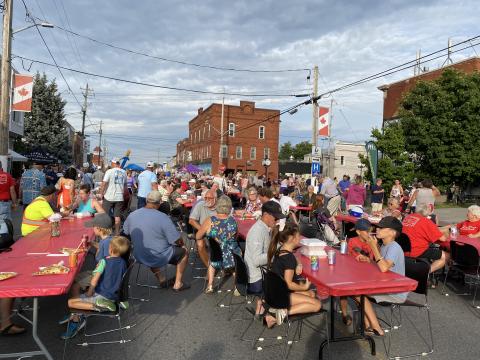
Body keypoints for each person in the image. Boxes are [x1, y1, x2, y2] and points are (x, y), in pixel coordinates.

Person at [61, 236, 130, 339]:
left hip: (101, 295)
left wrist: (89, 292)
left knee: (70, 302)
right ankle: (83, 313)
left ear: (110, 248)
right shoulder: (124, 263)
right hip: (114, 295)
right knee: (75, 302)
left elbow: (94, 280)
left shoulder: (104, 262)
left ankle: (99, 307)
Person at [123, 191, 189, 291]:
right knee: (184, 253)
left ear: (146, 200)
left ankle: (162, 279)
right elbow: (177, 240)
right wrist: (182, 245)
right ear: (159, 203)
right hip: (157, 255)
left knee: (150, 246)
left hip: (138, 254)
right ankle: (178, 284)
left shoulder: (132, 214)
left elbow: (126, 232)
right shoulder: (163, 217)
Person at [356, 216, 408, 336]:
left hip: (396, 292)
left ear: (392, 232)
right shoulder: (384, 245)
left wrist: (373, 246)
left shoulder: (394, 247)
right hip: (386, 285)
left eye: (381, 227)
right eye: (378, 227)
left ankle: (375, 327)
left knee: (358, 293)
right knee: (356, 291)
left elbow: (384, 268)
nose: (377, 229)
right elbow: (382, 265)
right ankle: (368, 326)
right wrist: (369, 260)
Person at [262, 224, 322, 328]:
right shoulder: (289, 259)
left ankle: (276, 309)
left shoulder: (281, 249)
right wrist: (304, 287)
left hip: (272, 292)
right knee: (317, 305)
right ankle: (279, 314)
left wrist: (298, 264)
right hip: (280, 295)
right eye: (298, 236)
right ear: (292, 238)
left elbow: (292, 257)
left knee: (311, 294)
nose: (300, 238)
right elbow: (289, 284)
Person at [244, 201, 286, 316]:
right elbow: (257, 260)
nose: (277, 221)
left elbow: (267, 249)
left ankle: (262, 306)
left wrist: (280, 246)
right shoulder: (258, 231)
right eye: (276, 218)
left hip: (257, 274)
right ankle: (279, 309)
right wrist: (276, 254)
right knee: (289, 279)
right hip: (256, 279)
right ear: (266, 215)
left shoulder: (263, 228)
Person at [196, 196, 241, 294]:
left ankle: (210, 286)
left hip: (216, 257)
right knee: (234, 265)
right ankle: (237, 287)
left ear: (217, 206)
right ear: (229, 207)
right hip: (232, 257)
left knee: (211, 264)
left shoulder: (210, 220)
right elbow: (236, 237)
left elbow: (198, 236)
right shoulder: (233, 220)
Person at [339, 219, 375, 325]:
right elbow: (356, 256)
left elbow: (375, 260)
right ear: (358, 232)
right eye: (367, 232)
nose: (369, 234)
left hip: (368, 275)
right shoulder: (353, 241)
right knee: (344, 290)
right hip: (353, 273)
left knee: (361, 295)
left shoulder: (372, 242)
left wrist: (370, 259)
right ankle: (345, 314)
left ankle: (367, 322)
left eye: (370, 231)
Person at [402, 204, 449, 273]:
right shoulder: (425, 221)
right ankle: (425, 273)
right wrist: (446, 232)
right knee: (446, 256)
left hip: (403, 249)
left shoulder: (408, 217)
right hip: (416, 251)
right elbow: (443, 239)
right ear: (427, 213)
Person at [189, 189, 217, 267]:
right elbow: (191, 220)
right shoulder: (200, 205)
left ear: (215, 198)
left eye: (209, 198)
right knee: (200, 245)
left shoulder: (219, 206)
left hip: (217, 231)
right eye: (206, 198)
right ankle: (209, 266)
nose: (207, 200)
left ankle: (227, 266)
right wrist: (203, 229)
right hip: (202, 230)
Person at [100, 158, 127, 235]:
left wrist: (101, 194)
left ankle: (105, 232)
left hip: (109, 196)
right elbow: (125, 185)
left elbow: (104, 183)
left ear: (114, 163)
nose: (111, 164)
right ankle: (117, 232)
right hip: (119, 197)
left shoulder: (109, 171)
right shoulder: (124, 172)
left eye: (111, 163)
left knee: (105, 215)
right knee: (117, 217)